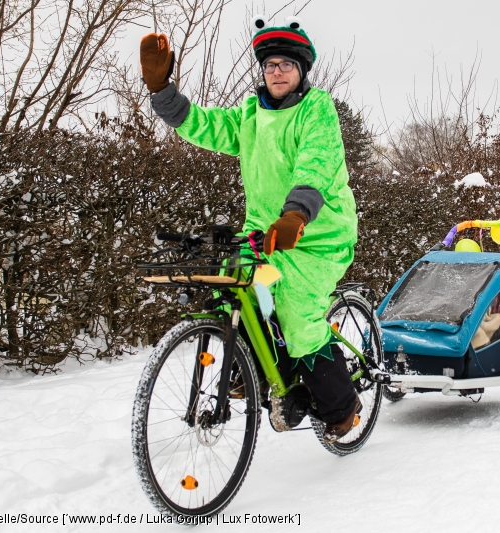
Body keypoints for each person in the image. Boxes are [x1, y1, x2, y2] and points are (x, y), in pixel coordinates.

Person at [139, 16, 360, 442]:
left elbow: (315, 162)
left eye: (286, 65)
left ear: (301, 71)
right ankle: (255, 366)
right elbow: (207, 126)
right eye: (270, 65)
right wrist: (163, 94)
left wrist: (296, 213)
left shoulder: (317, 109)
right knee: (243, 290)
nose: (277, 72)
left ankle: (342, 406)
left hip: (317, 238)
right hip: (266, 238)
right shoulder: (249, 115)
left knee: (295, 314)